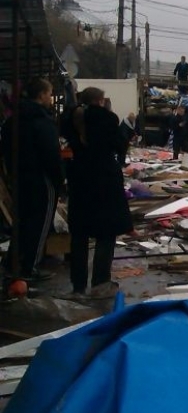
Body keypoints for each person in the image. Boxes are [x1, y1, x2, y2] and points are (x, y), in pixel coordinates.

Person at [63, 86, 133, 299]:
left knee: (79, 235)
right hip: (104, 180)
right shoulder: (107, 119)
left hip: (79, 179)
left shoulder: (68, 119)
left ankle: (78, 286)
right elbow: (120, 146)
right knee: (106, 232)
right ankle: (100, 283)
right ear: (100, 101)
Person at [0, 77, 63, 282]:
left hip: (18, 177)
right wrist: (59, 180)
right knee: (40, 223)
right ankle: (30, 267)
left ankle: (12, 262)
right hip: (41, 179)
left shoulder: (12, 120)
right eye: (49, 93)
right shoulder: (42, 121)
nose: (51, 98)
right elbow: (51, 154)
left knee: (22, 222)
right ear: (42, 95)